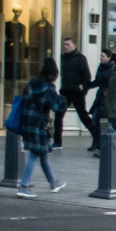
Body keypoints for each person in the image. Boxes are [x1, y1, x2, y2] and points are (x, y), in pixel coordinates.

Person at [16, 58, 68, 198]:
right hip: (39, 126)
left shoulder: (31, 84)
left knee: (43, 153)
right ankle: (24, 187)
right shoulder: (48, 89)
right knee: (34, 155)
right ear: (52, 76)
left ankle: (53, 182)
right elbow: (58, 107)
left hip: (27, 123)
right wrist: (64, 98)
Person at [53, 38, 92, 150]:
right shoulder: (62, 58)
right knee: (58, 115)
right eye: (64, 44)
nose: (66, 46)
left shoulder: (80, 58)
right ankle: (57, 142)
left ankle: (97, 138)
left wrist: (83, 89)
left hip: (76, 92)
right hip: (65, 90)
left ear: (74, 45)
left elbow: (87, 76)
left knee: (83, 116)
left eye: (68, 44)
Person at [85, 49, 116, 152]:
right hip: (100, 97)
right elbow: (97, 82)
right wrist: (87, 85)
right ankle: (96, 143)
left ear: (108, 57)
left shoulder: (113, 69)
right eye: (100, 56)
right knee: (95, 118)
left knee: (111, 122)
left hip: (108, 98)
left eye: (102, 56)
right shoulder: (101, 67)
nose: (100, 58)